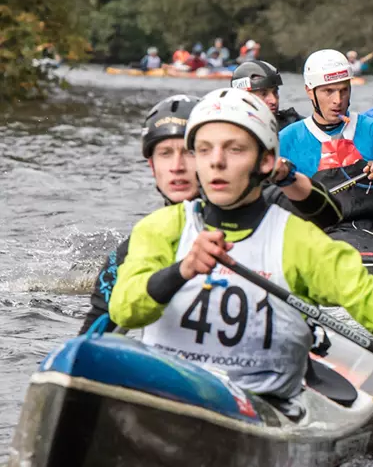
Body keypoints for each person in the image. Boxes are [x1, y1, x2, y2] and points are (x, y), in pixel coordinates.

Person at [106, 89, 373, 425]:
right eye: (204, 149)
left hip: (261, 408)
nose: (217, 162)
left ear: (266, 162)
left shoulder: (295, 240)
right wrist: (181, 270)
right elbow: (125, 309)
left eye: (234, 149)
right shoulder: (161, 230)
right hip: (174, 396)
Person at [82, 93, 343, 337]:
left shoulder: (265, 204)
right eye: (165, 154)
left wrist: (287, 177)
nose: (177, 168)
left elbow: (330, 218)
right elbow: (90, 338)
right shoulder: (134, 250)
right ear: (152, 165)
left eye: (189, 153)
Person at [278, 49, 373, 251]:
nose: (338, 100)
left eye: (344, 90)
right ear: (309, 91)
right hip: (321, 238)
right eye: (328, 91)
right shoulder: (286, 140)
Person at [231, 60, 302, 129]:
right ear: (243, 99)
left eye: (275, 92)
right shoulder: (228, 131)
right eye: (263, 94)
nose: (273, 101)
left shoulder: (294, 124)